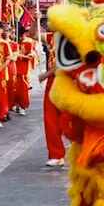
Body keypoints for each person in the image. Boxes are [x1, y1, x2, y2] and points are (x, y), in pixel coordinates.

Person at [39, 30, 66, 166]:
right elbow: (33, 34)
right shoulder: (52, 36)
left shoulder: (73, 37)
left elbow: (65, 63)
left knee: (73, 121)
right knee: (50, 119)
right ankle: (56, 154)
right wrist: (35, 20)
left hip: (68, 83)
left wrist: (45, 74)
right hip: (52, 83)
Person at [14, 26, 36, 116]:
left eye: (21, 35)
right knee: (14, 88)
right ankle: (16, 104)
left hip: (23, 69)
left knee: (22, 89)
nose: (19, 37)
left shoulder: (28, 43)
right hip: (14, 69)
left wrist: (19, 55)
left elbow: (30, 57)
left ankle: (22, 106)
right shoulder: (14, 43)